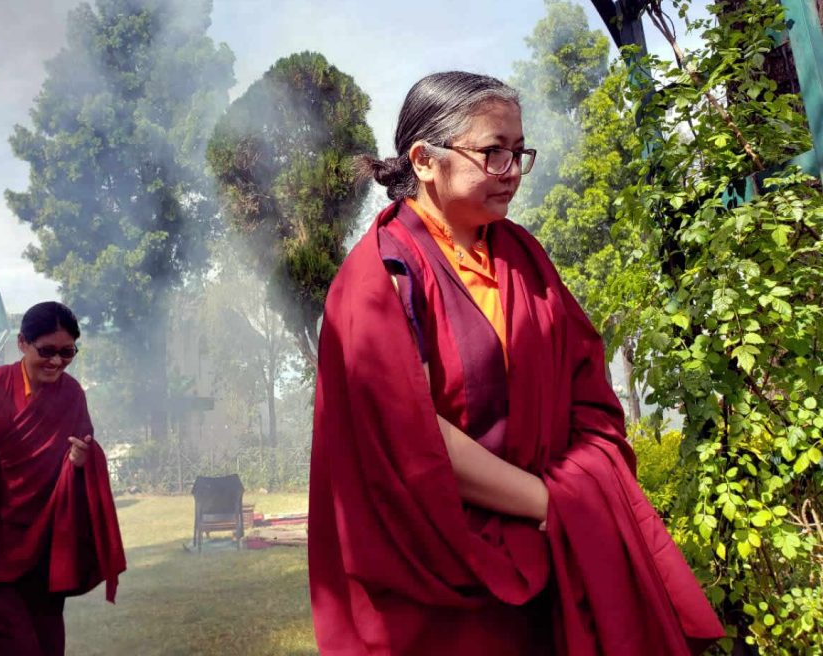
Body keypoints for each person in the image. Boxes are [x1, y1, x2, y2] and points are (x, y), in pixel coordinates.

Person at [308, 72, 725, 655]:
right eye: (492, 152)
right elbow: (409, 439)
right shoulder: (381, 278)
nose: (510, 170)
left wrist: (571, 489)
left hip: (546, 557)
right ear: (425, 160)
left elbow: (586, 387)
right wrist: (553, 504)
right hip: (446, 570)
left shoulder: (522, 255)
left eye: (518, 152)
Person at [0, 301, 125, 656]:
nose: (56, 361)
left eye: (67, 352)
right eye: (46, 350)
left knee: (49, 646)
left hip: (44, 550)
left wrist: (82, 460)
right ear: (22, 343)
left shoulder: (72, 393)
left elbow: (81, 453)